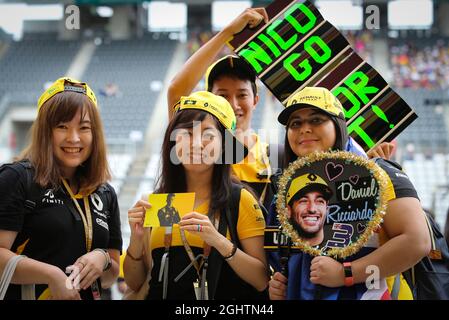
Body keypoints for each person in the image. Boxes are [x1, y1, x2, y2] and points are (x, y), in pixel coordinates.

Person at [268, 87, 430, 300]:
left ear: (338, 126)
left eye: (316, 120)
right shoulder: (283, 190)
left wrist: (346, 273)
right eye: (295, 123)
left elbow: (417, 242)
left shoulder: (378, 174)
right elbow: (283, 256)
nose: (304, 129)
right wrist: (281, 283)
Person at [124, 91, 268, 300]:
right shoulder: (156, 202)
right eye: (187, 133)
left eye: (209, 135)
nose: (197, 144)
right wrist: (136, 242)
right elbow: (135, 282)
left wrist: (218, 241)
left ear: (224, 145)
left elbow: (262, 279)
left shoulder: (240, 199)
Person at [0, 77, 122, 300]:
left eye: (84, 128)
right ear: (46, 131)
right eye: (62, 127)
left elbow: (110, 277)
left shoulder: (105, 193)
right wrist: (51, 276)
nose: (73, 138)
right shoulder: (18, 178)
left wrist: (101, 258)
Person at [167, 8, 277, 210]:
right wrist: (227, 33)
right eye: (223, 96)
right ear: (208, 100)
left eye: (242, 95)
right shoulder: (197, 151)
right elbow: (176, 91)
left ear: (256, 100)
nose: (233, 105)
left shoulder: (276, 156)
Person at [287, 174, 332, 247]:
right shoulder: (278, 252)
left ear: (327, 209)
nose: (312, 209)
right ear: (288, 210)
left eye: (319, 201)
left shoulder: (342, 251)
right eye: (304, 201)